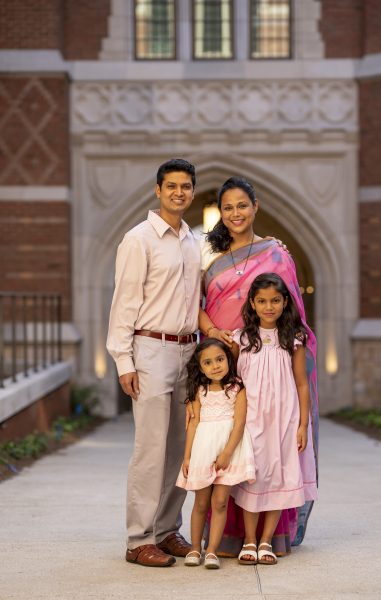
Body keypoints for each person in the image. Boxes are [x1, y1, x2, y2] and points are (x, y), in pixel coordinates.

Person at [193, 176, 319, 556]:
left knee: (267, 450)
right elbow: (193, 308)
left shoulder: (277, 255)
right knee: (227, 443)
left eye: (242, 206)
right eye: (228, 207)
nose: (236, 213)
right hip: (226, 366)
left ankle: (264, 538)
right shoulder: (210, 259)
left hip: (269, 367)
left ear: (256, 207)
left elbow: (292, 315)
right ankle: (224, 537)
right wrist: (215, 331)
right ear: (221, 212)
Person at [106, 158, 201, 567]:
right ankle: (138, 538)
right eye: (171, 186)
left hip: (189, 351)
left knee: (182, 447)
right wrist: (123, 361)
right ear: (157, 191)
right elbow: (124, 303)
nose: (179, 192)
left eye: (186, 186)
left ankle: (165, 530)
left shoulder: (192, 240)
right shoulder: (138, 239)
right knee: (150, 449)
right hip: (150, 350)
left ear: (192, 191)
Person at [230, 273, 317, 565]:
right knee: (252, 476)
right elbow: (232, 381)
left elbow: (302, 383)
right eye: (263, 301)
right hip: (251, 418)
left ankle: (266, 541)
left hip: (284, 418)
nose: (269, 306)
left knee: (278, 475)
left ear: (285, 302)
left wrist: (303, 424)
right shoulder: (241, 339)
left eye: (275, 300)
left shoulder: (293, 338)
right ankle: (250, 540)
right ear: (253, 304)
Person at [176, 339, 255, 569]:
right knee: (201, 502)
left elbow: (239, 424)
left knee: (220, 501)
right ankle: (194, 548)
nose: (215, 366)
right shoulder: (199, 391)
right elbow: (193, 424)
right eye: (208, 362)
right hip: (203, 448)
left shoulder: (237, 388)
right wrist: (188, 456)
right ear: (200, 368)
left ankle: (211, 550)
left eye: (220, 359)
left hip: (228, 450)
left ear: (228, 360)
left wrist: (227, 453)